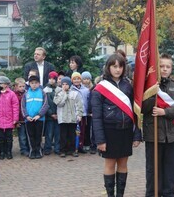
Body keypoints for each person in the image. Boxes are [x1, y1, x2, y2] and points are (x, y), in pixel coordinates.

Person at [91, 54, 141, 197]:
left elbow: (136, 111)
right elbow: (97, 117)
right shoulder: (100, 88)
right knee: (110, 164)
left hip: (125, 131)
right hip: (109, 131)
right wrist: (100, 140)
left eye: (120, 66)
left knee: (123, 164)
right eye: (114, 66)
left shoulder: (128, 86)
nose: (117, 69)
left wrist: (137, 134)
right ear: (108, 67)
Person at [142, 53, 174, 197]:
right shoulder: (148, 86)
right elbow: (142, 108)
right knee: (153, 169)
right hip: (153, 134)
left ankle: (169, 193)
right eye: (161, 66)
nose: (165, 69)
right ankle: (153, 193)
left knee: (170, 169)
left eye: (168, 66)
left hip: (172, 135)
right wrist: (152, 92)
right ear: (156, 67)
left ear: (172, 68)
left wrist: (165, 112)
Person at [54, 76, 83, 158]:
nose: (65, 86)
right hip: (62, 118)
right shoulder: (58, 94)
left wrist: (79, 115)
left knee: (72, 135)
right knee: (63, 135)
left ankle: (72, 150)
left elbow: (79, 105)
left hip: (72, 118)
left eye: (66, 84)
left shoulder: (75, 93)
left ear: (70, 85)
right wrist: (64, 95)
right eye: (63, 84)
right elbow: (59, 103)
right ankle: (62, 150)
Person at [21, 75, 49, 159]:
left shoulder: (42, 93)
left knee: (38, 135)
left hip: (39, 119)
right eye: (32, 83)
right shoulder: (26, 94)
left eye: (36, 83)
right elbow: (23, 106)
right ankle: (32, 151)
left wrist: (39, 115)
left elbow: (45, 105)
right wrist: (26, 116)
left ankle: (38, 150)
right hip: (29, 119)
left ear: (39, 83)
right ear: (29, 84)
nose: (34, 84)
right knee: (31, 136)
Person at [0, 76, 19, 160]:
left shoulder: (11, 94)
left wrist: (15, 119)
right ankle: (1, 151)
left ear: (6, 84)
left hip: (9, 119)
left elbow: (15, 107)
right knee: (0, 138)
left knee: (9, 138)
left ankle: (9, 151)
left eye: (0, 83)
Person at [71, 72, 90, 153]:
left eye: (78, 79)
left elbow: (88, 101)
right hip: (73, 114)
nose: (76, 80)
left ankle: (80, 146)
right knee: (73, 131)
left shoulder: (86, 90)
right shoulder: (70, 89)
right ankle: (73, 146)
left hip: (83, 114)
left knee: (82, 131)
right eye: (74, 79)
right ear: (72, 80)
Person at [43, 71, 60, 155]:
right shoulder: (45, 90)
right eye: (50, 78)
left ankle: (57, 148)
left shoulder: (59, 89)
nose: (51, 80)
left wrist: (57, 113)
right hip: (49, 116)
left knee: (58, 133)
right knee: (49, 133)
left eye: (53, 79)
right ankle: (47, 148)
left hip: (58, 116)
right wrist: (51, 113)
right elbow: (45, 103)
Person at [14, 77, 30, 156]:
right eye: (20, 86)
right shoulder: (14, 95)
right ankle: (23, 149)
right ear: (16, 86)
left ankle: (29, 148)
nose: (22, 88)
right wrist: (15, 120)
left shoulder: (27, 93)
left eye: (23, 86)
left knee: (28, 135)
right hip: (19, 119)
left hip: (27, 118)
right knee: (22, 136)